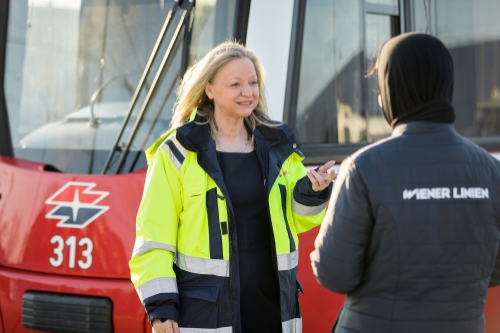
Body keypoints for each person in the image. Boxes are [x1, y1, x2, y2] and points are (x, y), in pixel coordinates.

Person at [129, 41, 335, 333]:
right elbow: (153, 238)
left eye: (253, 82)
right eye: (235, 84)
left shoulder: (278, 146)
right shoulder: (177, 152)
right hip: (207, 315)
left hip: (273, 310)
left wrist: (313, 190)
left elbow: (298, 218)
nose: (248, 92)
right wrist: (161, 310)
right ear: (209, 89)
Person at [310, 32, 500, 333]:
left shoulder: (363, 168)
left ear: (392, 90)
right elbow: (495, 268)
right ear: (445, 85)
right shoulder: (492, 171)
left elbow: (334, 274)